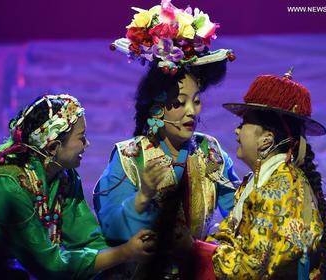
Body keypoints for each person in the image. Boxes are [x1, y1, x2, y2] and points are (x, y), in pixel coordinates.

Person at [93, 1, 239, 278]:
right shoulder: (129, 156)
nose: (191, 111)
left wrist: (208, 249)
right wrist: (143, 197)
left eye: (196, 101)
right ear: (156, 108)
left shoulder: (209, 151)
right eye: (180, 103)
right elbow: (111, 225)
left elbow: (237, 212)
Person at [0, 94, 155, 279]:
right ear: (53, 148)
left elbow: (86, 239)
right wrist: (123, 252)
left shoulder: (64, 177)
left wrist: (115, 267)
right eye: (81, 137)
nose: (87, 144)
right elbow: (47, 266)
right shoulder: (8, 187)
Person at [194, 70, 326, 279]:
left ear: (266, 140)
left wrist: (195, 250)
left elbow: (250, 268)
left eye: (244, 125)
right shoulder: (259, 181)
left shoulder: (281, 189)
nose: (237, 131)